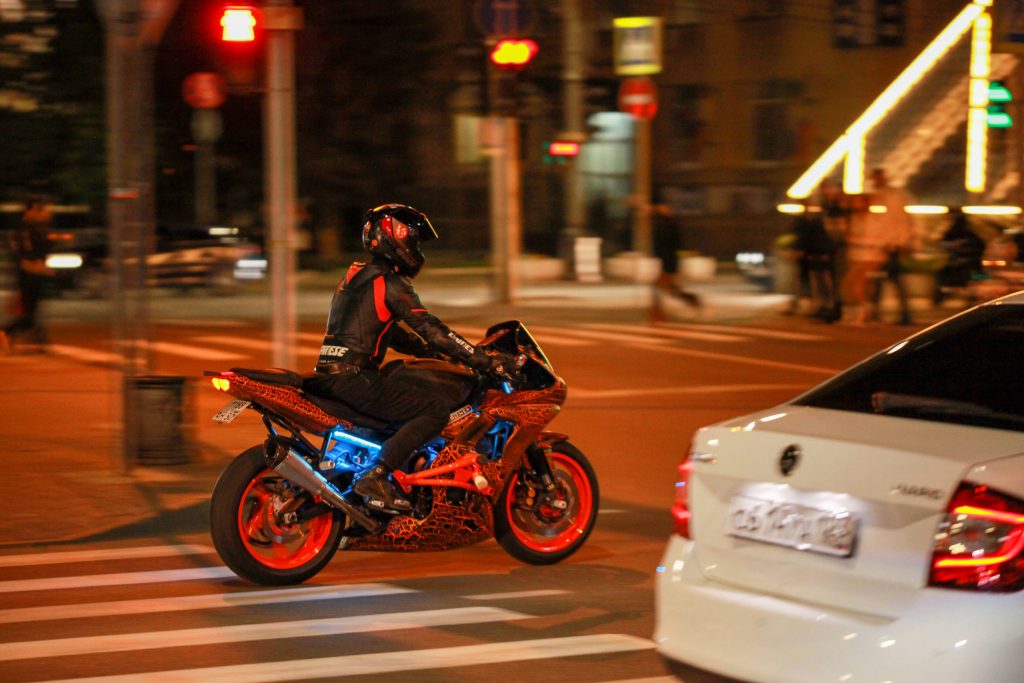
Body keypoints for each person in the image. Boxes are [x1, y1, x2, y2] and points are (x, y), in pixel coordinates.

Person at [304, 203, 511, 512]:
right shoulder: (391, 283)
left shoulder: (354, 277)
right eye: (414, 239)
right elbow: (432, 329)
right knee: (434, 409)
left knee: (397, 385)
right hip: (355, 378)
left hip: (331, 375)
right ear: (397, 238)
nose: (416, 247)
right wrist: (480, 359)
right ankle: (376, 476)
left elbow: (387, 331)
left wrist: (427, 352)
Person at [1, 199, 54, 353]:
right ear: (31, 211)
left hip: (33, 274)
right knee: (30, 312)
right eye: (43, 210)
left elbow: (41, 250)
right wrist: (35, 265)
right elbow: (24, 254)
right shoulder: (25, 229)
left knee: (33, 311)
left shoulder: (38, 228)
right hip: (27, 275)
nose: (47, 214)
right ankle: (6, 331)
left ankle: (40, 343)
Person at [867, 168, 916, 325]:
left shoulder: (893, 197)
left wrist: (901, 243)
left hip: (890, 247)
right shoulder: (877, 197)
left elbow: (901, 222)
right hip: (881, 246)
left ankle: (903, 314)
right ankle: (888, 313)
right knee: (881, 280)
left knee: (889, 280)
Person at [789, 199, 841, 322]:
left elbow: (823, 239)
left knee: (823, 282)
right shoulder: (808, 222)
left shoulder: (817, 222)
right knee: (817, 282)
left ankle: (827, 307)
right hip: (815, 256)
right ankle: (821, 307)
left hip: (822, 255)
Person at [649, 199, 701, 323]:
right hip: (667, 260)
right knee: (671, 290)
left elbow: (673, 244)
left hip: (669, 261)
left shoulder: (669, 224)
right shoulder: (664, 224)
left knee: (660, 288)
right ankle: (693, 301)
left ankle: (657, 313)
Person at [841, 192, 886, 325]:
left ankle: (863, 313)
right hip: (857, 256)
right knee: (852, 285)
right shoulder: (855, 218)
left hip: (871, 257)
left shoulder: (875, 219)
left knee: (855, 284)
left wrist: (857, 240)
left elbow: (877, 238)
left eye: (858, 201)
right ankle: (860, 313)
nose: (856, 204)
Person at [934, 208, 984, 306]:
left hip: (968, 273)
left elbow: (942, 244)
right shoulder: (970, 232)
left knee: (942, 277)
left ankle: (940, 300)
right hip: (973, 272)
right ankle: (970, 301)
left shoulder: (957, 232)